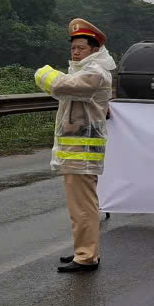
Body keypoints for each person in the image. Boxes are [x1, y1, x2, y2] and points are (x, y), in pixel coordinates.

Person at [34, 18, 115, 273]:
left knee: (83, 207)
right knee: (78, 206)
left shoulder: (95, 73)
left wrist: (41, 72)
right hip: (77, 151)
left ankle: (87, 256)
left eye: (81, 48)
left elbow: (59, 85)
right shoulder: (85, 71)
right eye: (73, 48)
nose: (76, 52)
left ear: (95, 49)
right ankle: (84, 249)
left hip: (83, 153)